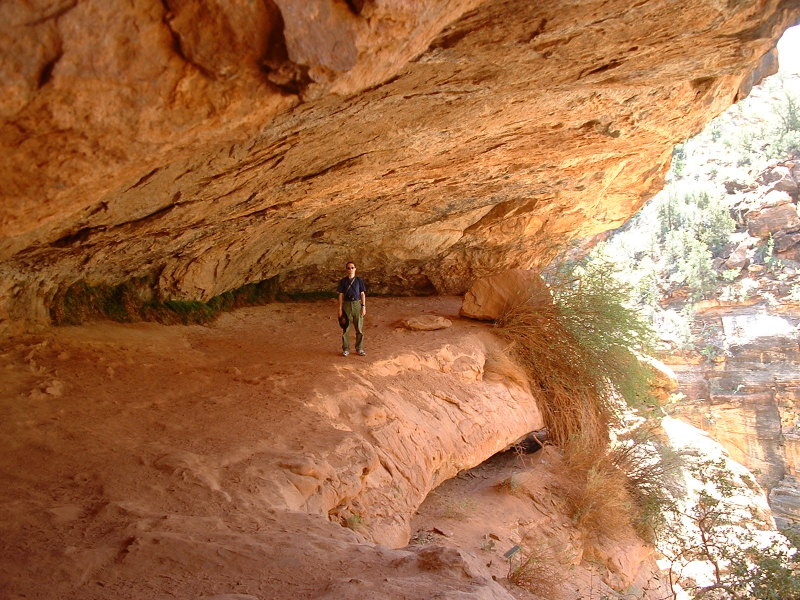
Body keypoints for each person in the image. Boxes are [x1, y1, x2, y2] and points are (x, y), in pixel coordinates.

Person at [337, 261, 366, 356]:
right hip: (347, 305)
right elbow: (341, 295)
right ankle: (346, 349)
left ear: (355, 269)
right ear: (346, 270)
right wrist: (340, 308)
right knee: (346, 328)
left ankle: (359, 348)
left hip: (357, 304)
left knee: (359, 328)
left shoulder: (359, 281)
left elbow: (362, 294)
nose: (350, 269)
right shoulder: (343, 281)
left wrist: (363, 306)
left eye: (352, 267)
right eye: (348, 268)